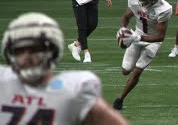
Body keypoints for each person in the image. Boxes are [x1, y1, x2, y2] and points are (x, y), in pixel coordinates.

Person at [0, 12, 129, 125]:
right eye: (19, 50)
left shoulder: (73, 90)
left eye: (35, 50)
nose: (27, 57)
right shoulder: (3, 81)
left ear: (53, 50)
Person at [113, 0, 172, 110]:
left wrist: (137, 38)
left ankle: (120, 100)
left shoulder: (164, 9)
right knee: (125, 70)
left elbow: (160, 36)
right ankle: (133, 65)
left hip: (152, 42)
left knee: (137, 71)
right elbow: (126, 16)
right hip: (137, 34)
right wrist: (123, 29)